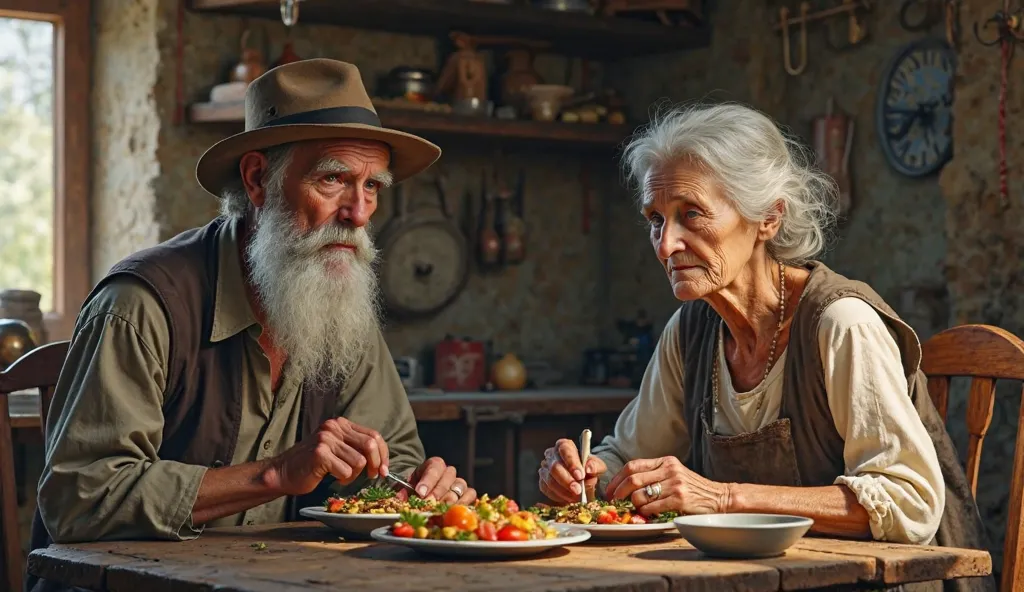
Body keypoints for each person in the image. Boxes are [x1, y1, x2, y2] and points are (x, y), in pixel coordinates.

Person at [29, 59, 475, 570]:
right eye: (334, 180)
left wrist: (418, 486)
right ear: (259, 179)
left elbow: (391, 462)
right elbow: (79, 499)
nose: (358, 213)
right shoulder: (141, 304)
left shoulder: (340, 302)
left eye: (372, 186)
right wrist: (275, 475)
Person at [538, 103, 992, 591]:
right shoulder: (692, 330)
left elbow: (910, 503)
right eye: (655, 218)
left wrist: (723, 498)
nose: (666, 244)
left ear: (768, 218)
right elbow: (629, 454)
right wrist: (586, 473)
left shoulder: (841, 322)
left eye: (691, 214)